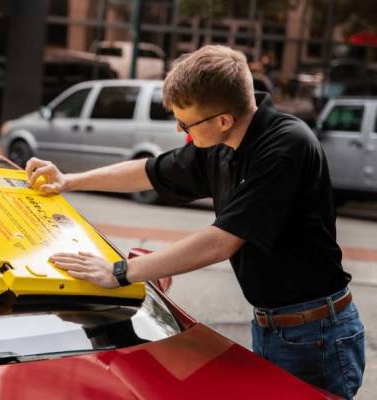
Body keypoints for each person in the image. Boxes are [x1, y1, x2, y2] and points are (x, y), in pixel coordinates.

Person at [27, 45, 365, 399]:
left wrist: (120, 272)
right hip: (275, 327)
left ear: (223, 120)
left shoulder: (285, 148)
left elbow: (222, 241)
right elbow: (150, 171)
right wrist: (69, 181)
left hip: (317, 335)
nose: (179, 129)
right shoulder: (223, 144)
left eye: (185, 123)